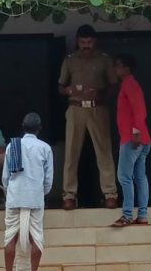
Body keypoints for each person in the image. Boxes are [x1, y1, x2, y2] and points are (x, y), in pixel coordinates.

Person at [58, 24, 119, 210]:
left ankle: (110, 193)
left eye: (89, 42)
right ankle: (69, 195)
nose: (86, 45)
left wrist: (100, 92)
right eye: (83, 42)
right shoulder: (70, 60)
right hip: (75, 108)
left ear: (95, 41)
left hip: (97, 107)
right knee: (71, 153)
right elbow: (60, 86)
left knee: (104, 151)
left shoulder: (104, 60)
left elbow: (114, 86)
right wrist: (69, 90)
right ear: (77, 41)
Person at [2, 113, 53, 271]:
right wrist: (42, 193)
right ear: (39, 129)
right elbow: (48, 179)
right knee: (36, 238)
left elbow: (5, 177)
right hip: (35, 198)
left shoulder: (12, 146)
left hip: (14, 197)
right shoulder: (45, 148)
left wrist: (9, 193)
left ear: (23, 127)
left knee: (10, 237)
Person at [110, 54, 151, 227]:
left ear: (126, 68)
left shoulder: (129, 84)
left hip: (132, 138)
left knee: (124, 176)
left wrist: (135, 133)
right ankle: (142, 214)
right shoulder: (130, 84)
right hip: (142, 138)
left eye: (118, 66)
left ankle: (127, 214)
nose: (115, 69)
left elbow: (139, 110)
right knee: (140, 177)